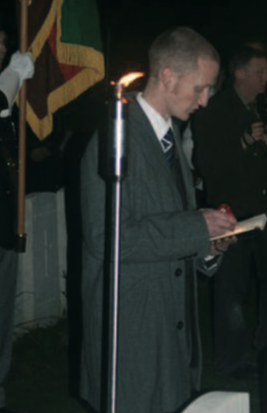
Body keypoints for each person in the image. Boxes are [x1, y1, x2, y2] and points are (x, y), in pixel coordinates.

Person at [80, 27, 237, 413]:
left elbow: (168, 226)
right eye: (200, 88)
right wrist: (195, 227)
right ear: (167, 76)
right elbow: (106, 238)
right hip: (132, 336)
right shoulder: (113, 136)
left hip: (171, 333)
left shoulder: (170, 137)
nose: (204, 101)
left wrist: (207, 247)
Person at [193, 46, 267, 378]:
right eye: (260, 71)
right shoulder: (214, 109)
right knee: (232, 292)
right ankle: (232, 359)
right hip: (233, 216)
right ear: (239, 73)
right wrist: (242, 140)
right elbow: (206, 165)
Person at [0, 29, 34, 413]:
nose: (4, 49)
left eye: (5, 43)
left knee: (2, 319)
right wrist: (10, 78)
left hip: (4, 225)